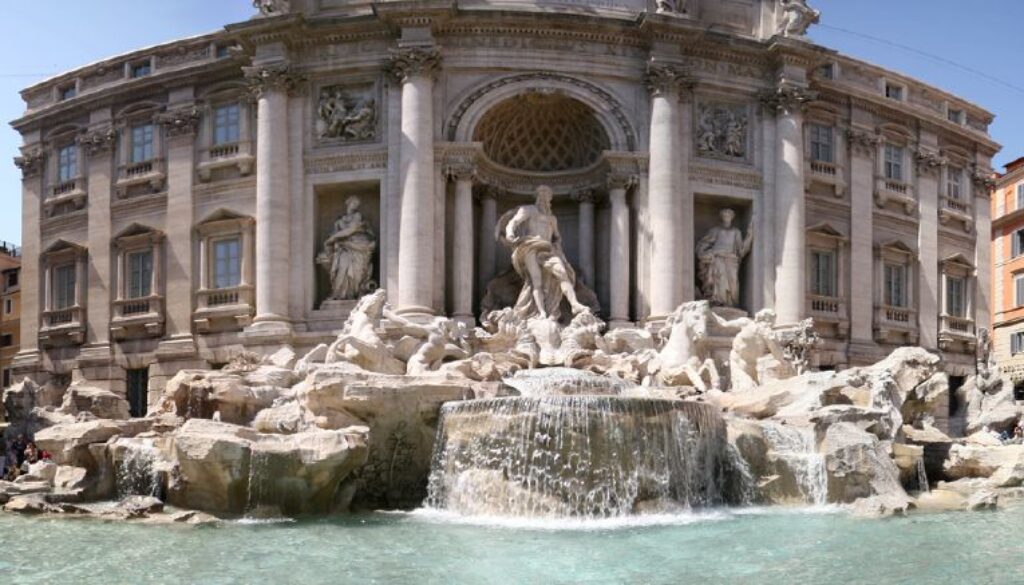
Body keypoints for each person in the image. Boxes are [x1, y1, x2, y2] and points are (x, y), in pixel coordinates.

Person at [503, 185, 589, 321]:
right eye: (541, 194)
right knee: (536, 281)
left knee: (562, 273)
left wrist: (560, 252)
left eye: (547, 195)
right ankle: (541, 312)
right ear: (537, 196)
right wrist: (509, 233)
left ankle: (574, 304)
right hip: (531, 246)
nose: (543, 197)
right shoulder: (529, 210)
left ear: (550, 199)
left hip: (548, 249)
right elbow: (513, 222)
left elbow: (557, 237)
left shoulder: (552, 219)